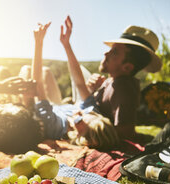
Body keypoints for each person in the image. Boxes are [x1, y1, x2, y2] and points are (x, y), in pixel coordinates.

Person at [62, 16, 161, 140]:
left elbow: (125, 133)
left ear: (127, 67)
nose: (106, 53)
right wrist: (92, 89)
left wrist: (86, 126)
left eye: (114, 52)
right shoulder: (111, 82)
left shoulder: (123, 88)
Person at [30, 19, 120, 149]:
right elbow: (79, 84)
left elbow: (36, 86)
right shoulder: (89, 114)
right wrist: (66, 44)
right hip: (57, 106)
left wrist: (38, 43)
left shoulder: (53, 126)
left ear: (80, 136)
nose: (81, 112)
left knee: (26, 72)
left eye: (79, 120)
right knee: (46, 71)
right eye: (88, 113)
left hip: (36, 105)